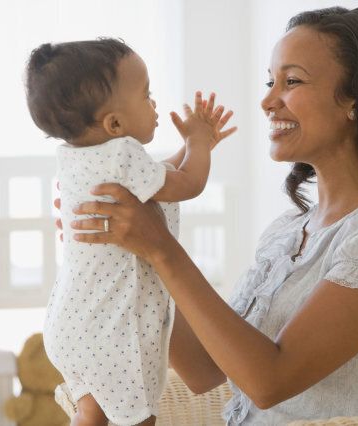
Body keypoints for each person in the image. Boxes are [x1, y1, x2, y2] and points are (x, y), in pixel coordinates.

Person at [67, 7, 358, 425]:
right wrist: (126, 251)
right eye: (270, 81)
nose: (268, 100)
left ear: (357, 100)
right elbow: (204, 369)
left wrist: (162, 247)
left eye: (291, 82)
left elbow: (268, 381)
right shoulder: (286, 234)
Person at [25, 38, 236, 426]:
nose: (154, 105)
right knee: (138, 418)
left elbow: (162, 177)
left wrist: (192, 147)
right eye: (146, 95)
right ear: (115, 124)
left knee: (92, 411)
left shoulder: (77, 158)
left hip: (71, 323)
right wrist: (200, 143)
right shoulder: (123, 155)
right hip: (113, 331)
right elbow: (187, 184)